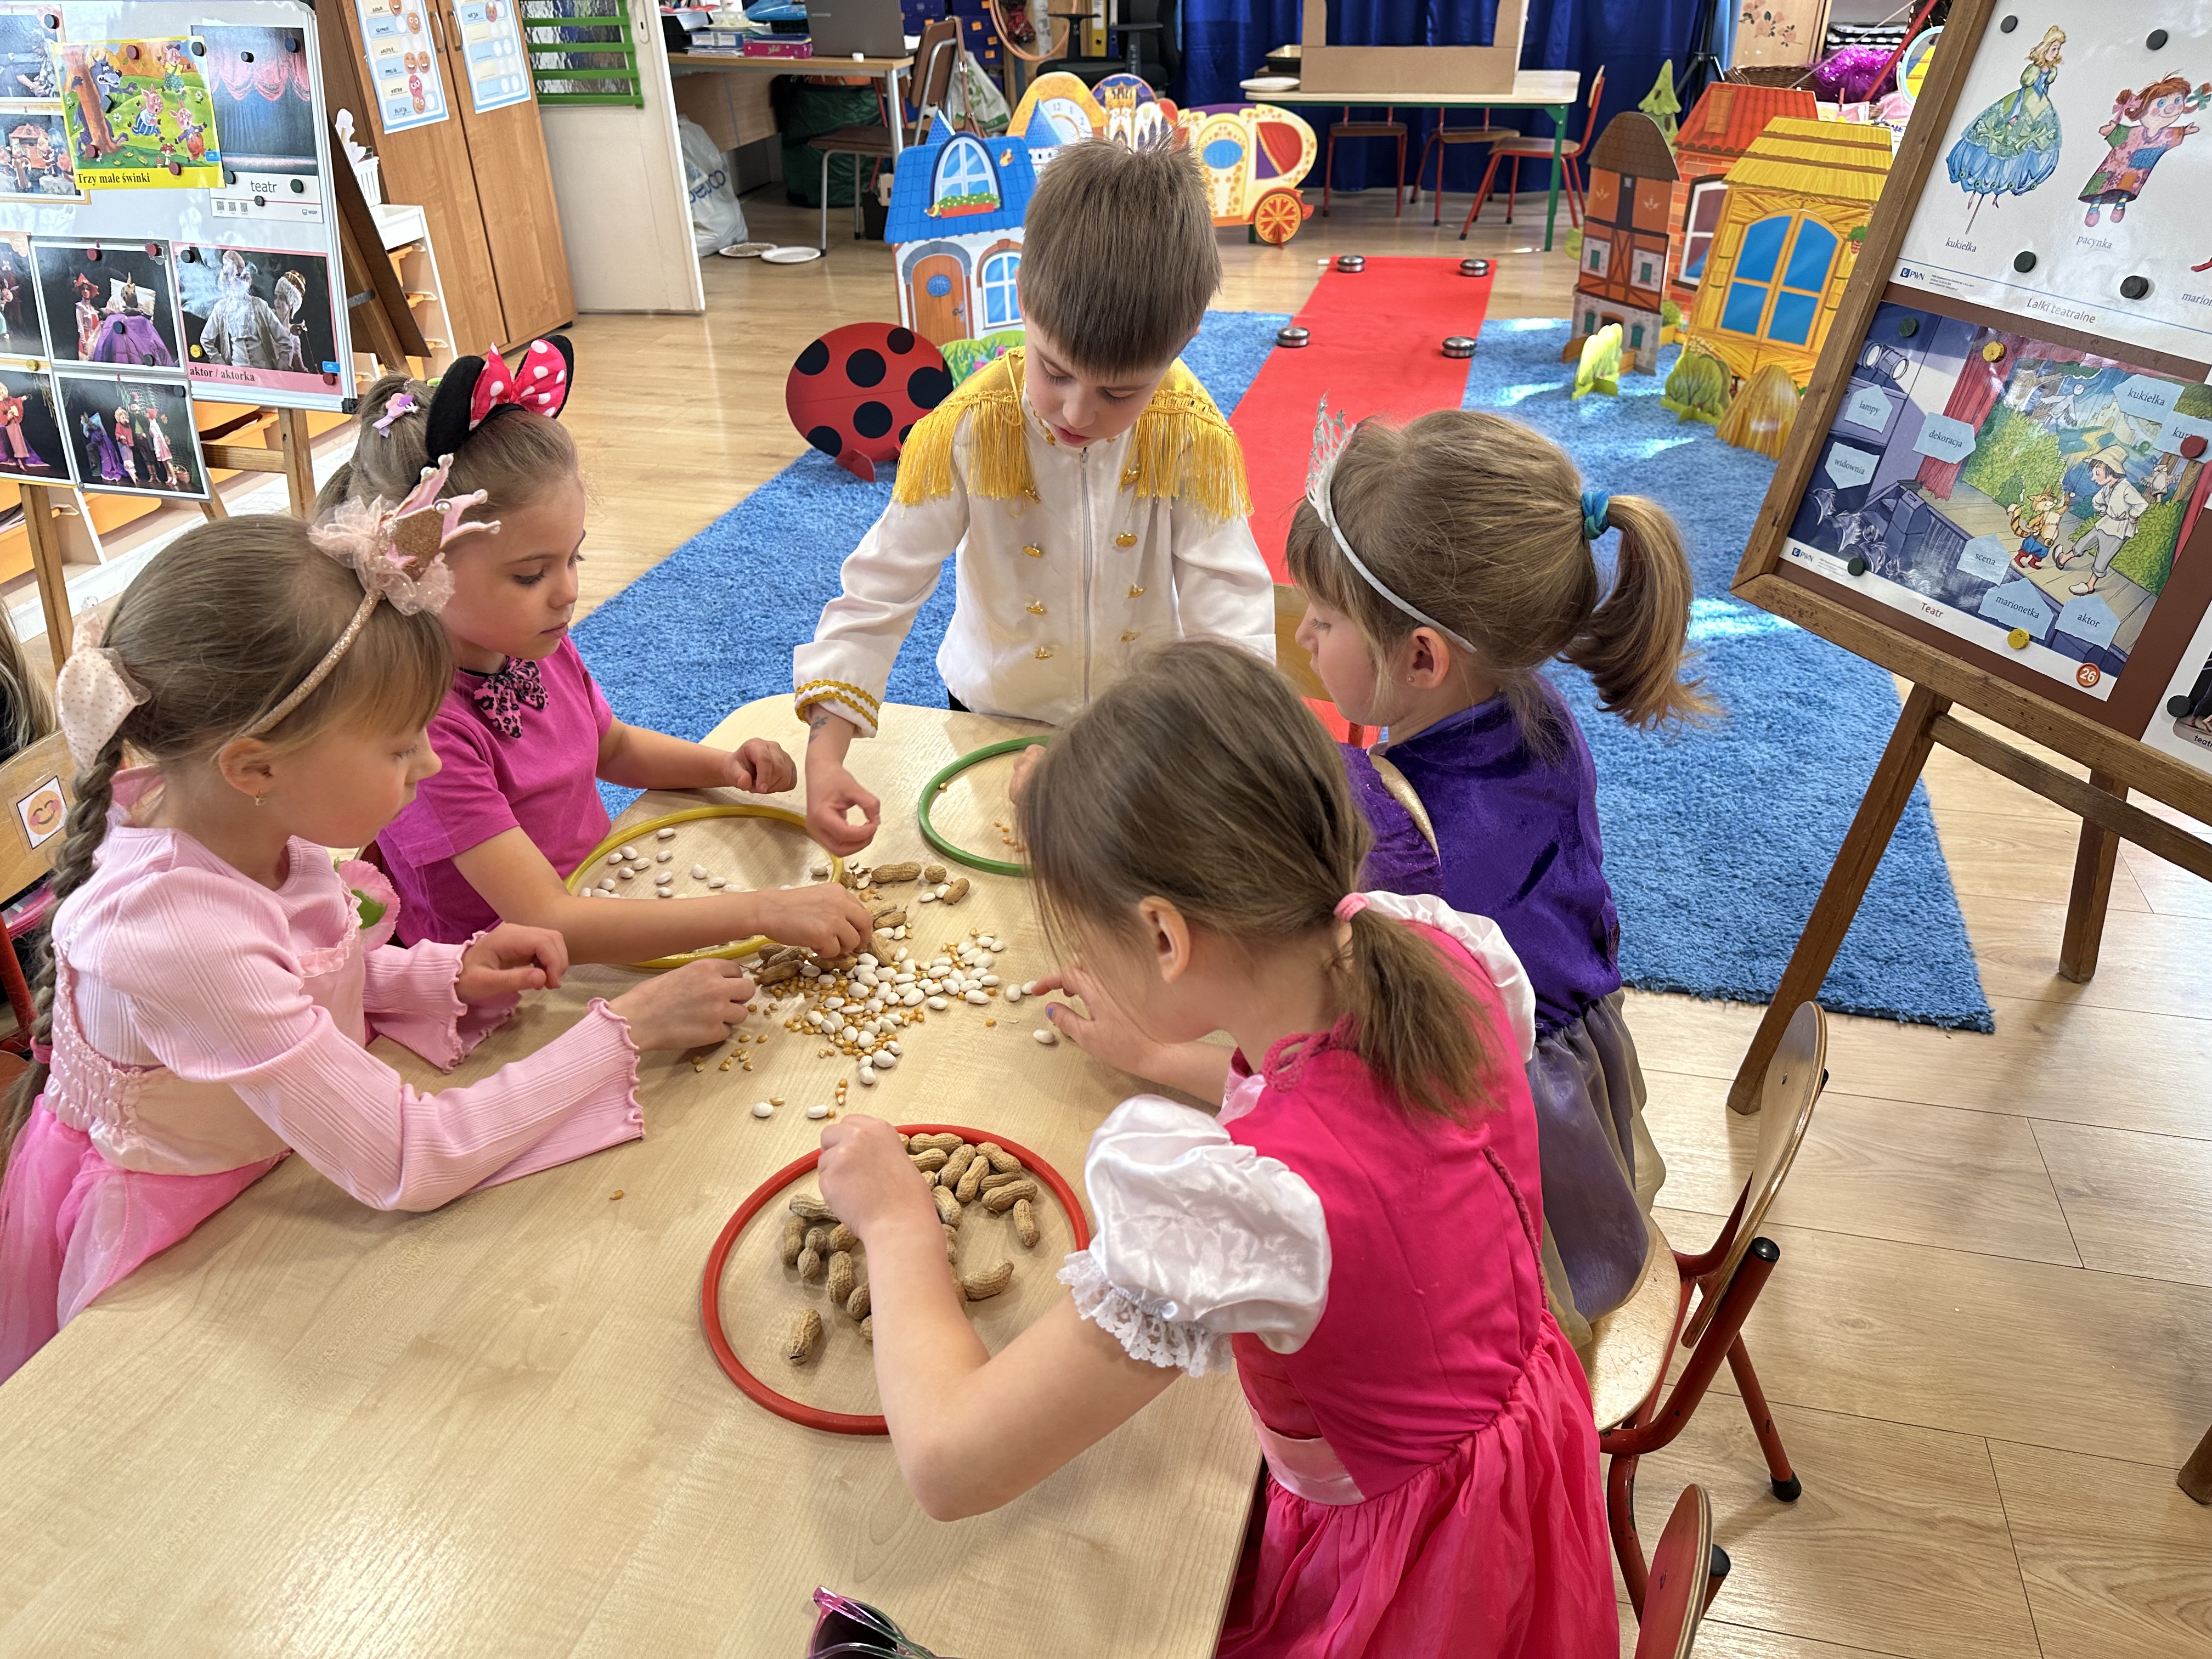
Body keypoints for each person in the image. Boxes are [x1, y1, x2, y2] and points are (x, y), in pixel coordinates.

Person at [817, 641, 1615, 1658]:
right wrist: (1159, 1053)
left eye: (1083, 931)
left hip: (1417, 1553)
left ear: (1164, 937)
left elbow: (947, 1465)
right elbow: (1358, 1116)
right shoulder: (1434, 952)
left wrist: (896, 1221)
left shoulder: (1242, 1208)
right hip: (1520, 1437)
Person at [0, 509, 759, 1382]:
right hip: (185, 1234)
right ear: (255, 767)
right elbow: (407, 1157)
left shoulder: (237, 820)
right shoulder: (176, 930)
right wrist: (625, 1029)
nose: (430, 767)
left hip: (279, 1159)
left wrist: (442, 974)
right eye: (402, 747)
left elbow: (288, 980)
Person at [1068, 407, 1701, 1343]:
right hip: (1580, 1072)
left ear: (1421, 657)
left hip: (1488, 1133)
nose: (1303, 639)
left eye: (1322, 621)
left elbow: (1344, 1089)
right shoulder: (1531, 701)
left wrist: (1156, 1056)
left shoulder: (1390, 836)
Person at [793, 136, 1274, 856]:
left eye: (1119, 393)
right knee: (993, 866)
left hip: (1134, 729)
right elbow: (880, 587)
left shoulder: (1190, 434)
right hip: (991, 711)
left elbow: (1230, 612)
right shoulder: (967, 427)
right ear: (1022, 296)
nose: (1077, 413)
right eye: (1055, 372)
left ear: (1185, 340)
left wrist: (1228, 748)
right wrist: (826, 753)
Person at [323, 348, 874, 962]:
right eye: (531, 575)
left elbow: (611, 746)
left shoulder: (532, 644)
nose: (568, 591)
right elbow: (546, 920)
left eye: (574, 557)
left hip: (600, 898)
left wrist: (725, 766)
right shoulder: (420, 735)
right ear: (419, 569)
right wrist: (764, 911)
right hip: (514, 974)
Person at [2054, 447, 2147, 597]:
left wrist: (2132, 516)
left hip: (2119, 529)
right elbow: (2097, 501)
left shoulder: (2125, 488)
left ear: (2111, 471)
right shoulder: (2108, 488)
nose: (2094, 478)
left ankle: (2090, 585)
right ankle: (2063, 558)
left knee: (2104, 555)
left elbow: (2142, 504)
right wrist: (2102, 510)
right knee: (2085, 541)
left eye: (2097, 473)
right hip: (2106, 522)